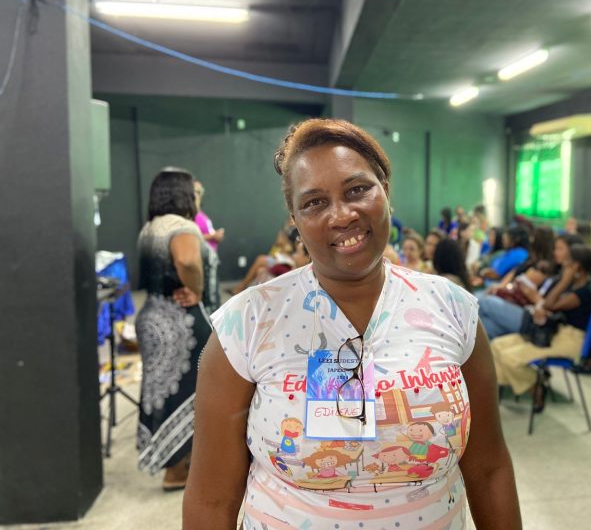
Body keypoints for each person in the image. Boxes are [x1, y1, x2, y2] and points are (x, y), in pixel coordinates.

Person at [183, 119, 522, 529]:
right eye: (314, 202)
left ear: (386, 192)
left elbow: (489, 468)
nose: (342, 215)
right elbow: (211, 499)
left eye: (357, 190)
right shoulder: (249, 322)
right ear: (294, 220)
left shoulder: (452, 308)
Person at [134, 168, 217, 490]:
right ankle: (178, 469)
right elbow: (187, 261)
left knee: (164, 394)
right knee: (196, 391)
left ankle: (174, 464)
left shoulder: (149, 228)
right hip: (181, 321)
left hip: (152, 316)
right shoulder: (182, 227)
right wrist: (195, 289)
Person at [490, 245, 591, 409]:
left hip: (569, 340)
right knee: (496, 346)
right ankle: (534, 381)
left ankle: (536, 387)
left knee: (510, 358)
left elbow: (550, 304)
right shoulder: (573, 286)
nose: (563, 265)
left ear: (576, 266)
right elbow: (548, 305)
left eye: (567, 262)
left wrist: (564, 280)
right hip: (553, 333)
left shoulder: (585, 292)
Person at [193, 181, 225, 253]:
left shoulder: (202, 214)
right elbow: (191, 237)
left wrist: (216, 235)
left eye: (201, 192)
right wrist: (212, 236)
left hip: (209, 255)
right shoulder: (189, 215)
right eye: (197, 191)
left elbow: (208, 232)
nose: (199, 195)